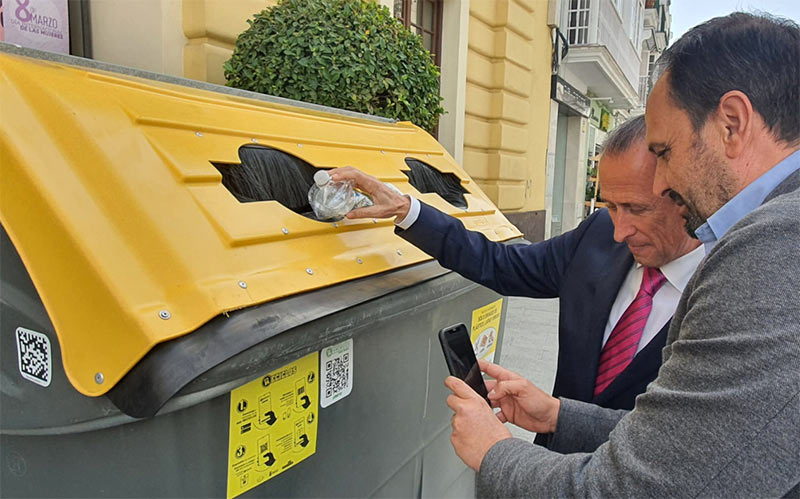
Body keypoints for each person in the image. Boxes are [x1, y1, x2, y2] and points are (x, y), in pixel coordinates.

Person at [440, 12, 799, 498]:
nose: (661, 182)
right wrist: (559, 415)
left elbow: (634, 488)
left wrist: (492, 451)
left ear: (732, 123)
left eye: (666, 151)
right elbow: (694, 447)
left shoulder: (771, 249)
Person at [330, 114, 702, 427]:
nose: (620, 231)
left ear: (687, 194)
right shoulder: (599, 235)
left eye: (636, 209)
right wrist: (407, 210)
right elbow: (502, 264)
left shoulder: (728, 294)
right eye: (611, 207)